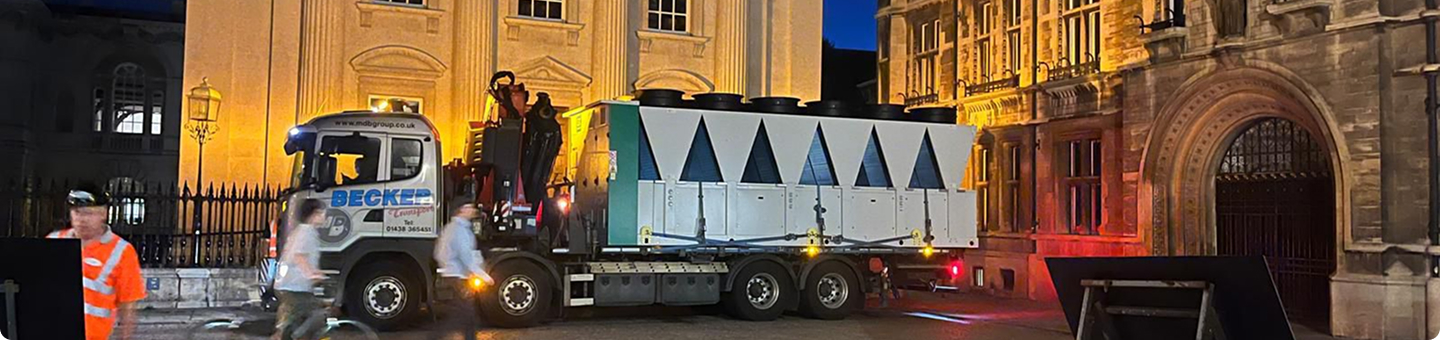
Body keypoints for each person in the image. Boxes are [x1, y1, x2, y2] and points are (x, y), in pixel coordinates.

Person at [47, 183, 146, 340]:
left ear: (103, 214)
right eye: (77, 212)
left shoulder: (122, 251)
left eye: (89, 213)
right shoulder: (53, 241)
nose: (82, 219)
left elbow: (128, 306)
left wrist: (125, 337)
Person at [432, 201, 493, 340]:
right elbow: (466, 256)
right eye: (467, 208)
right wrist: (484, 276)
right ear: (460, 211)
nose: (472, 210)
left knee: (464, 314)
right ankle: (435, 337)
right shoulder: (460, 230)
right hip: (458, 277)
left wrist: (446, 265)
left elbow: (438, 252)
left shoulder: (450, 228)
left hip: (451, 275)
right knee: (465, 315)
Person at [272, 199, 327, 340]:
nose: (324, 217)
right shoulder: (306, 232)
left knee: (294, 322)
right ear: (314, 214)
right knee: (317, 314)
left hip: (293, 285)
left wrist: (315, 273)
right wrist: (312, 275)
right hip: (294, 286)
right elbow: (299, 256)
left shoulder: (305, 231)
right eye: (322, 213)